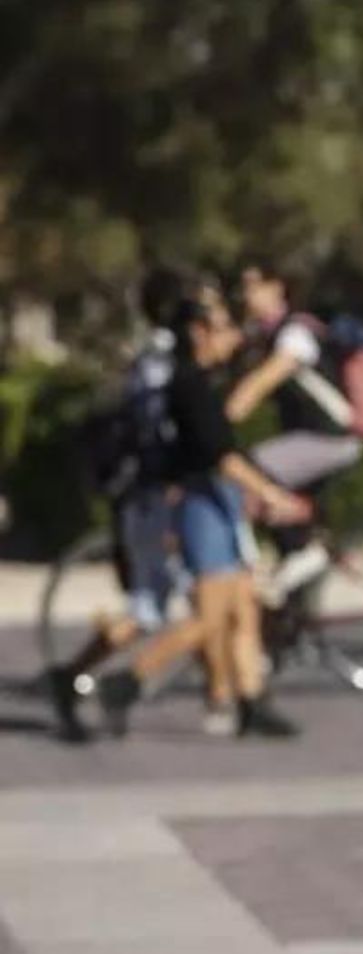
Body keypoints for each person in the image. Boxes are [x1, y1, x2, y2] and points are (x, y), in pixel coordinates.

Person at [66, 291, 309, 741]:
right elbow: (221, 455)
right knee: (210, 616)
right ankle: (130, 681)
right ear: (199, 332)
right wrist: (271, 494)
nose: (233, 337)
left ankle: (250, 700)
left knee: (241, 608)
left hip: (213, 500)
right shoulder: (190, 384)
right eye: (222, 327)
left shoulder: (191, 379)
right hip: (204, 504)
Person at [43, 268, 190, 742]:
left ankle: (82, 679)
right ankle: (117, 683)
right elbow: (165, 432)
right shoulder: (168, 361)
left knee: (159, 603)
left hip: (143, 494)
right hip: (158, 495)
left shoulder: (151, 357)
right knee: (177, 605)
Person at [226, 262, 363, 599]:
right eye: (243, 288)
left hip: (332, 438)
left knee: (249, 469)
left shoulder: (295, 334)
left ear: (278, 288)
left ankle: (307, 552)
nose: (247, 295)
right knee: (265, 490)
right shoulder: (262, 334)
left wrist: (226, 414)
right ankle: (293, 570)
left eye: (254, 286)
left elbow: (262, 381)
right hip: (308, 440)